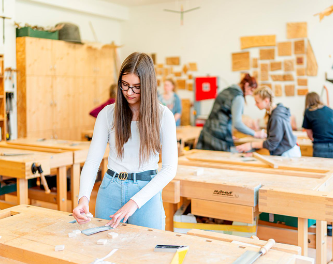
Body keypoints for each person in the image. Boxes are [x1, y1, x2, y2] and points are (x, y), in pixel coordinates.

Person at [73, 52, 178, 230]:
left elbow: (169, 169)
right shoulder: (107, 114)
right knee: (103, 252)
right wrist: (83, 198)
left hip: (146, 194)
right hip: (110, 190)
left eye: (137, 87)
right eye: (125, 85)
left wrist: (134, 202)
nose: (129, 92)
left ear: (148, 85)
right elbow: (92, 161)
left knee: (145, 254)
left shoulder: (163, 115)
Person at [196, 74, 266, 151]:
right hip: (219, 138)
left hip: (208, 132)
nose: (250, 94)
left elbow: (222, 115)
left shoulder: (226, 91)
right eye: (251, 91)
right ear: (246, 85)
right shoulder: (238, 97)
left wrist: (229, 134)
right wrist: (255, 134)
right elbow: (237, 123)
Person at [236, 86, 301, 157]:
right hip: (287, 151)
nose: (255, 104)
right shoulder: (275, 112)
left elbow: (272, 144)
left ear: (266, 101)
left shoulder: (276, 116)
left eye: (257, 102)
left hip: (288, 154)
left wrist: (251, 145)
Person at [302, 92, 333, 159]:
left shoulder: (308, 112)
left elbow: (309, 134)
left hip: (321, 146)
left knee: (322, 169)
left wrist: (319, 139)